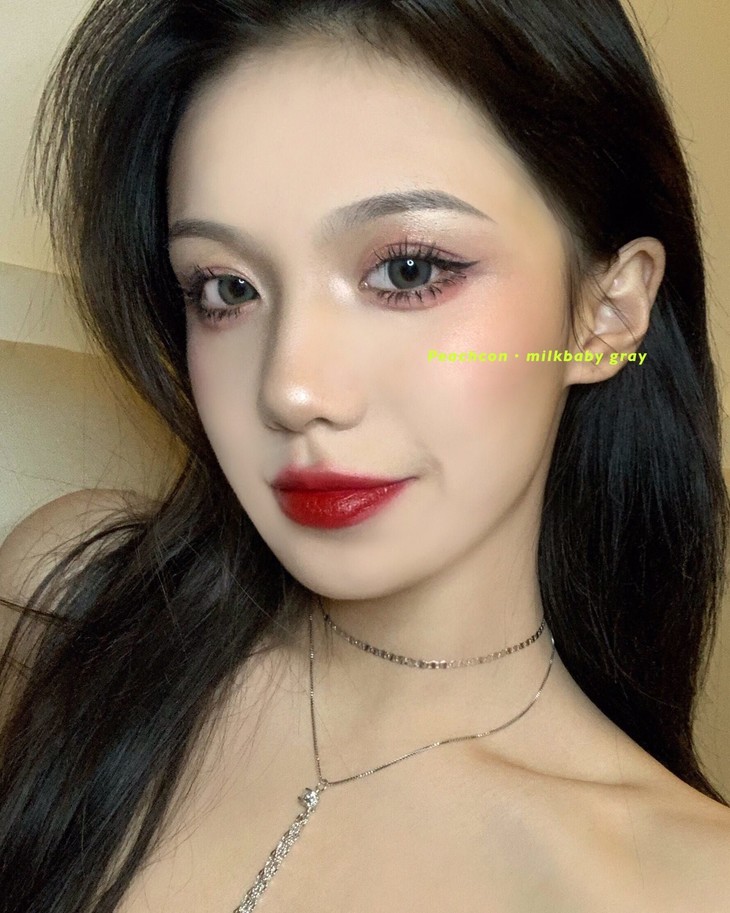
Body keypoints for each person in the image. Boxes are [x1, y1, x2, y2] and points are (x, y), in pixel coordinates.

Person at [1, 0, 729, 910]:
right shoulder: (65, 609)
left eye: (409, 271)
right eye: (226, 288)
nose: (293, 389)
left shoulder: (684, 884)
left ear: (606, 310)